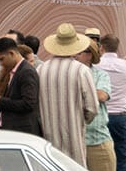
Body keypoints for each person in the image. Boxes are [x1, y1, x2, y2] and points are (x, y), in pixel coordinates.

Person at [36, 25, 98, 159]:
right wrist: (80, 119)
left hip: (48, 139)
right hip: (74, 140)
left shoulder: (40, 70)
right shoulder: (81, 70)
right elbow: (92, 108)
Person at [96, 36, 126, 171]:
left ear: (101, 47)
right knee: (122, 160)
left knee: (98, 158)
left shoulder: (96, 65)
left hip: (101, 115)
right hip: (119, 115)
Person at [76, 41, 116, 171]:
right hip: (75, 143)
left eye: (82, 51)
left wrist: (76, 93)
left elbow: (102, 95)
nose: (76, 55)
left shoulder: (100, 74)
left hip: (97, 141)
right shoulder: (71, 74)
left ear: (90, 55)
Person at [0, 36, 40, 136]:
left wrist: (0, 100)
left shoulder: (26, 72)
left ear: (11, 53)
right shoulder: (15, 71)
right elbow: (16, 98)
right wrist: (0, 98)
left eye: (2, 59)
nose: (1, 64)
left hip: (21, 132)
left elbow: (28, 104)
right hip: (11, 129)